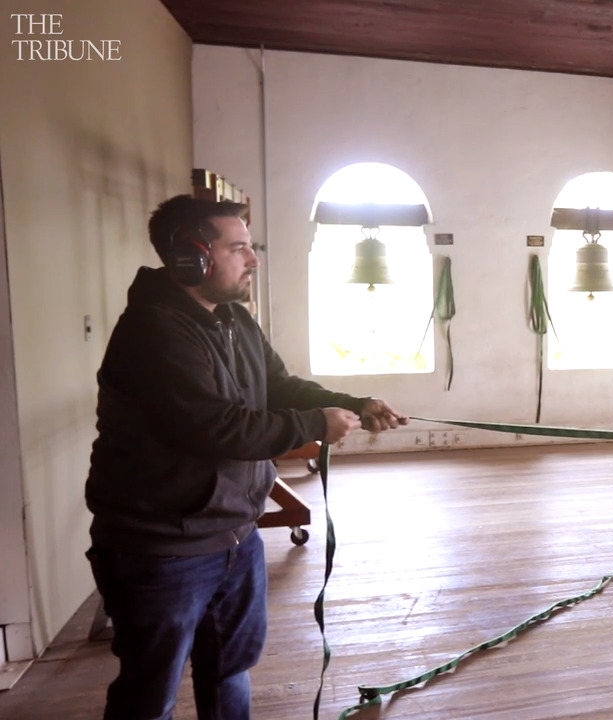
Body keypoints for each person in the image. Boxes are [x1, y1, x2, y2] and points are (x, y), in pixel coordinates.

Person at [84, 194, 408, 719]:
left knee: (229, 672)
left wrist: (352, 404)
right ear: (191, 256)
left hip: (235, 535)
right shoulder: (155, 330)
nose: (253, 259)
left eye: (249, 246)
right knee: (150, 696)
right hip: (161, 549)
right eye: (238, 248)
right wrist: (315, 425)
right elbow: (219, 429)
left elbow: (277, 385)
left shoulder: (233, 317)